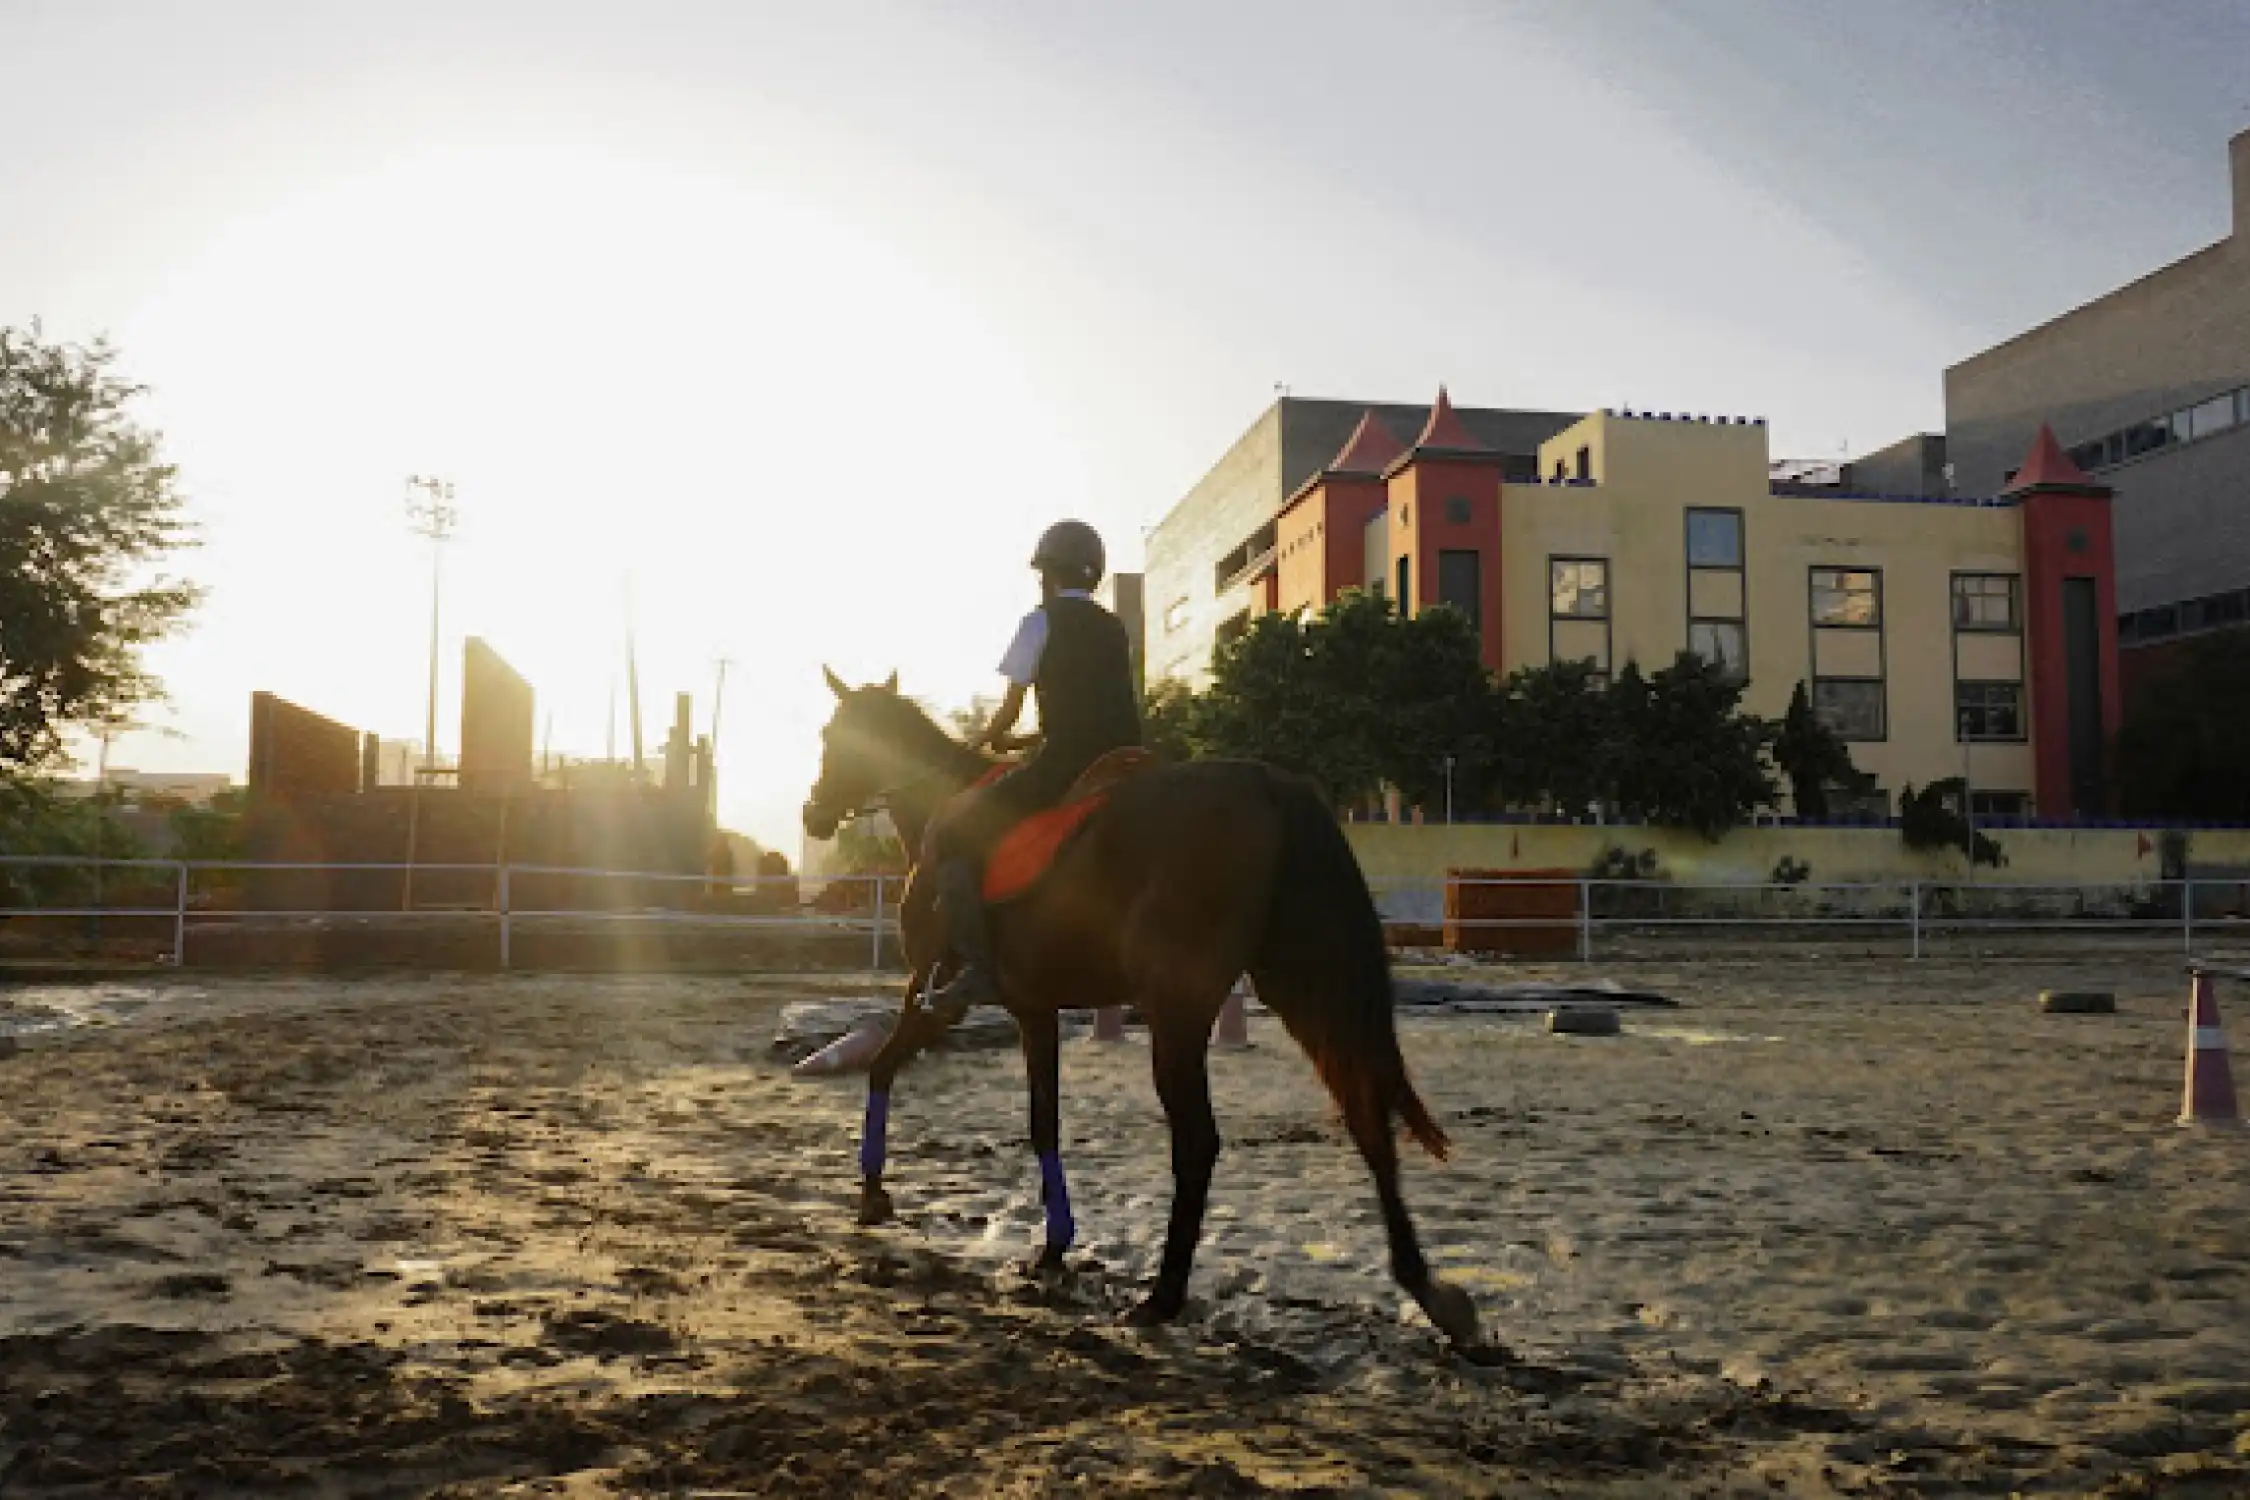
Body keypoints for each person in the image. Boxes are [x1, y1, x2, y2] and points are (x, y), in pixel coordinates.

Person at [922, 520, 1142, 1021]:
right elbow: (1092, 710)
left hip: (1068, 762)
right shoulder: (1112, 626)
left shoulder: (1040, 621)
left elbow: (1010, 706)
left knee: (956, 832)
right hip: (1126, 757)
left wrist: (980, 740)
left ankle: (977, 968)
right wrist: (1021, 740)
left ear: (1047, 573)